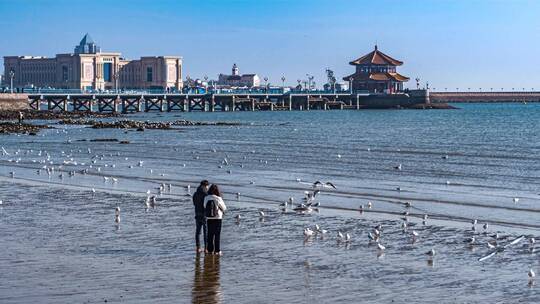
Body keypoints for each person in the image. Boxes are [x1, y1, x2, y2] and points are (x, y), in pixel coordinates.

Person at [204, 184, 227, 255]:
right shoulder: (218, 198)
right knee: (217, 235)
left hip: (209, 218)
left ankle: (210, 250)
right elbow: (224, 208)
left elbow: (204, 206)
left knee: (210, 235)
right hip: (217, 218)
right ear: (217, 190)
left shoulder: (206, 198)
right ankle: (217, 251)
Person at [193, 180, 209, 253]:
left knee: (198, 232)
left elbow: (194, 204)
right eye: (207, 186)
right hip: (204, 215)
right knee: (205, 232)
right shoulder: (206, 194)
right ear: (206, 186)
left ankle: (198, 247)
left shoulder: (195, 194)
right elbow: (207, 205)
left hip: (197, 214)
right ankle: (206, 248)